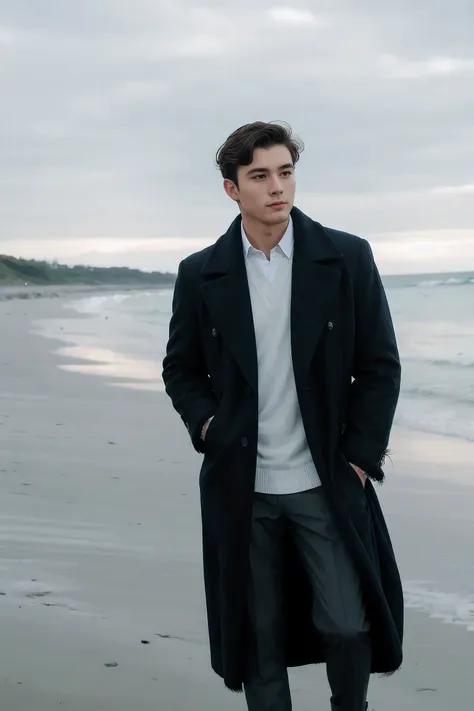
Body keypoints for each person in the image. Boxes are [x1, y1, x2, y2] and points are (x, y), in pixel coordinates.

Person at [162, 121, 404, 711]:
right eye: (260, 176)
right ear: (232, 189)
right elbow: (181, 369)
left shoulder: (345, 257)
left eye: (286, 172)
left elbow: (379, 364)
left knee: (349, 624)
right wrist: (210, 428)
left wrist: (360, 456)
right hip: (243, 485)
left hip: (325, 475)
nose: (278, 187)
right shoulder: (202, 273)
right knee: (259, 639)